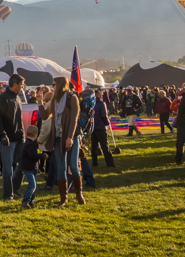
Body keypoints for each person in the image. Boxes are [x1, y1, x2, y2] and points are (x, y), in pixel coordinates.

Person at [38, 77, 82, 207]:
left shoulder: (72, 98)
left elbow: (74, 119)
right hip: (57, 137)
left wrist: (70, 137)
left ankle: (79, 193)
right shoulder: (54, 100)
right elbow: (46, 116)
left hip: (72, 137)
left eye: (54, 85)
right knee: (61, 168)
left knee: (73, 166)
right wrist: (40, 103)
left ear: (62, 85)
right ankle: (64, 197)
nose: (53, 87)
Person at [0, 74, 26, 202]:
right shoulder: (3, 99)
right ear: (15, 84)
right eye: (21, 84)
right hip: (8, 139)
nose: (22, 87)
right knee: (7, 169)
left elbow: (19, 119)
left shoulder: (17, 98)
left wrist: (23, 134)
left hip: (19, 137)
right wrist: (2, 135)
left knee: (23, 162)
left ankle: (15, 187)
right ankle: (8, 195)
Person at [90, 89, 115, 168]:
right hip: (100, 126)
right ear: (98, 94)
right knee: (105, 145)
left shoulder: (91, 103)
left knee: (94, 146)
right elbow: (104, 115)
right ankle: (110, 163)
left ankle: (94, 162)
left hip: (93, 127)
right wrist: (107, 123)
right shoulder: (101, 103)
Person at [19, 125, 40, 209]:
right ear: (36, 135)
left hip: (32, 168)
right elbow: (33, 155)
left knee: (34, 186)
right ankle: (26, 201)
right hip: (28, 168)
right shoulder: (29, 144)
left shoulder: (29, 143)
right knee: (32, 185)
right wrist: (42, 156)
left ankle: (31, 201)